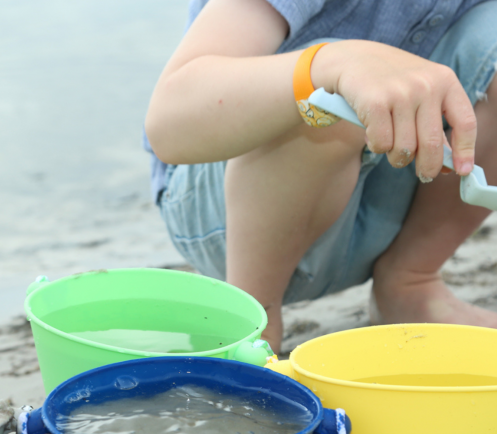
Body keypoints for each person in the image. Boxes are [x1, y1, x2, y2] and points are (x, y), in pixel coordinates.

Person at [144, 0, 497, 353]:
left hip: (387, 210)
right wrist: (331, 64)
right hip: (232, 216)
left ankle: (410, 279)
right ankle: (253, 322)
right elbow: (168, 123)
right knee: (330, 94)